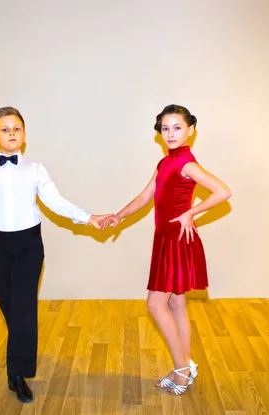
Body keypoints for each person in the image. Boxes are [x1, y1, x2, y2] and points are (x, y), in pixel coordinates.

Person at [0, 106, 111, 403]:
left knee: (24, 309)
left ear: (24, 135)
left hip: (29, 246)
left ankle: (16, 374)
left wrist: (88, 217)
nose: (11, 133)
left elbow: (55, 202)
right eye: (5, 129)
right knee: (10, 309)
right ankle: (19, 361)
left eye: (16, 128)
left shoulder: (35, 169)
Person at [104, 104, 231, 395]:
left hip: (176, 239)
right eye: (165, 128)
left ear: (190, 130)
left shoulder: (187, 163)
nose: (170, 133)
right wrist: (118, 215)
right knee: (175, 304)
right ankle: (184, 367)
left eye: (177, 127)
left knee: (154, 304)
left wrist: (191, 212)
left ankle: (182, 369)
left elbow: (223, 191)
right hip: (166, 238)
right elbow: (145, 196)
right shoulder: (165, 163)